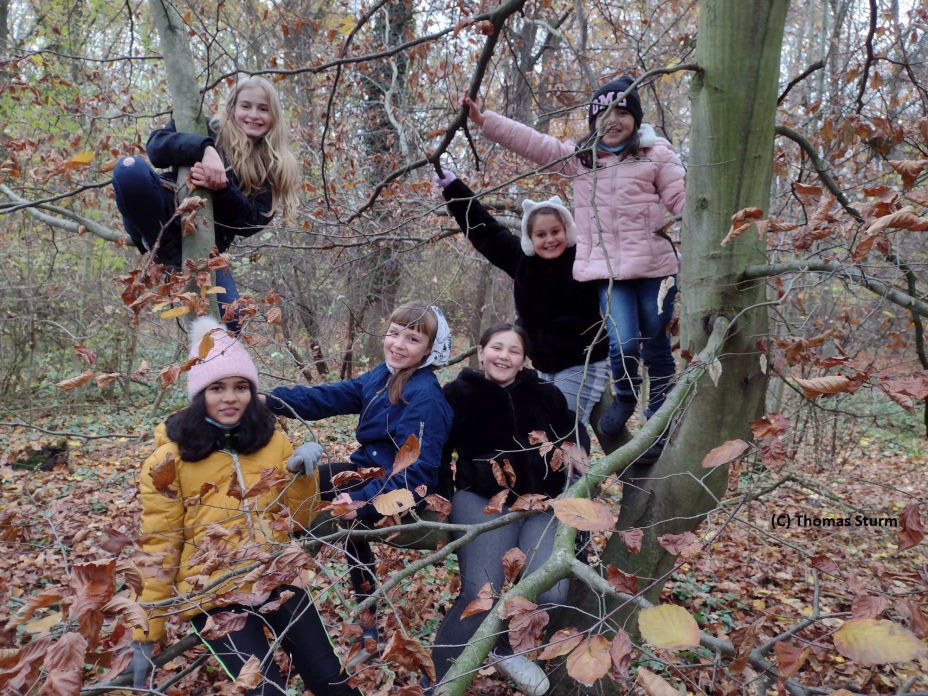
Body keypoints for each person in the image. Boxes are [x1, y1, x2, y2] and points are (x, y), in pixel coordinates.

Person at [129, 316, 360, 696]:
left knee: (330, 680)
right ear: (199, 393)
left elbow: (297, 521)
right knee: (264, 691)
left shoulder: (272, 441)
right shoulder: (168, 461)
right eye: (217, 387)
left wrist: (304, 476)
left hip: (278, 576)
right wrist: (144, 634)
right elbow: (159, 546)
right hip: (213, 593)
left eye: (241, 387)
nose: (230, 397)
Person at [463, 75, 686, 461]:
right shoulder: (583, 162)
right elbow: (534, 143)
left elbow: (685, 200)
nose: (613, 121)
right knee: (624, 343)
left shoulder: (657, 155)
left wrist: (714, 232)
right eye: (603, 114)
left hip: (656, 270)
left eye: (622, 112)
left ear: (635, 117)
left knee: (657, 346)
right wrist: (486, 121)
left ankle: (658, 425)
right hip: (610, 273)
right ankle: (626, 398)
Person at [266, 300, 453, 666]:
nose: (398, 344)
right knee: (290, 487)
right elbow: (332, 396)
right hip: (367, 472)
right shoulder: (383, 377)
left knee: (345, 524)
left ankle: (365, 627)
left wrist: (362, 502)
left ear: (430, 349)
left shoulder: (425, 396)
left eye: (411, 338)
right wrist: (270, 399)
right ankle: (271, 587)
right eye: (393, 333)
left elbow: (414, 475)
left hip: (403, 493)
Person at [431, 323, 586, 696]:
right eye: (496, 348)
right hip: (481, 500)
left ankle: (502, 648)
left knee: (550, 592)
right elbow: (437, 450)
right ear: (481, 352)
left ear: (523, 360)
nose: (504, 356)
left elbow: (573, 433)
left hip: (542, 503)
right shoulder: (457, 394)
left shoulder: (545, 393)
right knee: (481, 592)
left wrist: (578, 454)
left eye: (513, 351)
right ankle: (440, 681)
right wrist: (439, 498)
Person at [112, 75, 300, 324]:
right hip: (164, 212)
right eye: (246, 106)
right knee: (128, 168)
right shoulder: (205, 127)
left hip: (207, 243)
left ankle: (180, 263)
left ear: (274, 115)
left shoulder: (275, 163)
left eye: (263, 109)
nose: (254, 114)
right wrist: (205, 148)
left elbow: (253, 222)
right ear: (232, 107)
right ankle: (167, 255)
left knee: (234, 322)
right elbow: (156, 147)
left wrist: (222, 188)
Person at [434, 171, 609, 439]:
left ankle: (573, 482)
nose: (549, 239)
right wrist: (453, 188)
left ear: (567, 230)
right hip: (541, 363)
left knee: (566, 430)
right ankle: (547, 480)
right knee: (540, 430)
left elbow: (622, 253)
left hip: (581, 361)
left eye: (555, 232)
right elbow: (484, 229)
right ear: (530, 237)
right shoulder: (521, 260)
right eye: (541, 234)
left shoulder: (584, 259)